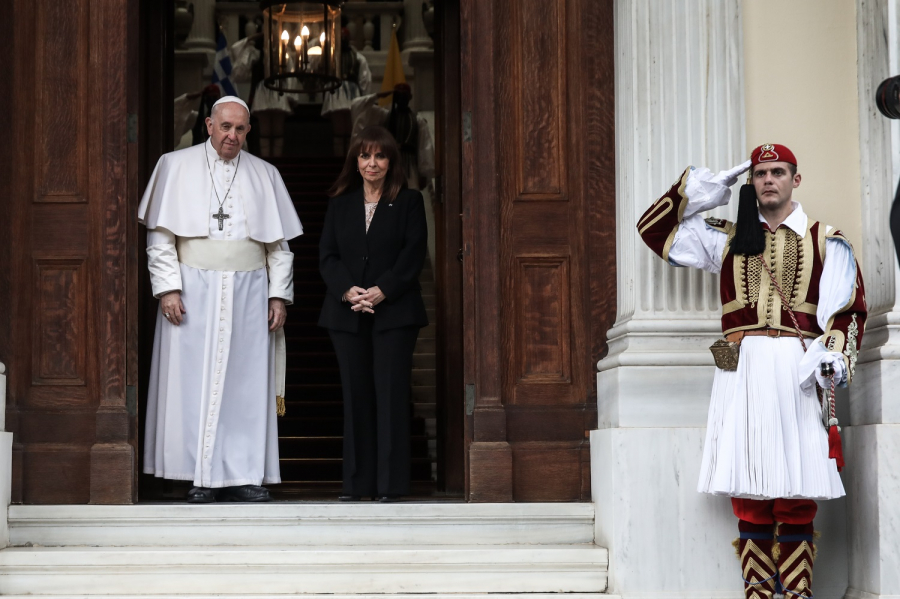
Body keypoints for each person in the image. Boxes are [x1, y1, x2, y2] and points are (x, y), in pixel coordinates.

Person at [637, 144, 866, 598]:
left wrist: (833, 354)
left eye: (778, 172)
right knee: (748, 484)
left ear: (795, 179)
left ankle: (796, 592)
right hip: (739, 367)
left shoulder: (825, 238)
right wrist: (704, 191)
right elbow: (653, 229)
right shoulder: (726, 235)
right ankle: (759, 592)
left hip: (796, 368)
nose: (768, 180)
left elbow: (848, 308)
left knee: (796, 487)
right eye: (760, 173)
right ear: (752, 181)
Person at [138, 96, 303, 503]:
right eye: (225, 127)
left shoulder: (266, 174)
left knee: (245, 387)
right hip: (193, 290)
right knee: (191, 383)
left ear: (249, 131)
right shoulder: (174, 165)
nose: (232, 136)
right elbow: (160, 237)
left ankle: (245, 474)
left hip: (249, 292)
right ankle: (197, 476)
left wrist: (278, 295)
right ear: (209, 125)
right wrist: (168, 287)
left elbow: (279, 247)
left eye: (241, 129)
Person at [318, 125, 428, 502]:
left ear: (391, 160)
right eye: (365, 155)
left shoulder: (410, 200)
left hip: (395, 314)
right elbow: (327, 256)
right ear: (356, 160)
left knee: (391, 396)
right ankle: (357, 485)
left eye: (380, 155)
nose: (372, 163)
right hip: (346, 314)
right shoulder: (340, 203)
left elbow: (413, 254)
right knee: (356, 398)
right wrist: (349, 291)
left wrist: (382, 291)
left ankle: (391, 487)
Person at [350, 84, 435, 190]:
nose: (402, 99)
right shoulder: (384, 117)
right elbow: (357, 106)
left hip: (409, 168)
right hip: (388, 166)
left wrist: (424, 174)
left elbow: (423, 147)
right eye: (399, 96)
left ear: (410, 97)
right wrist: (378, 96)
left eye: (404, 96)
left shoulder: (417, 121)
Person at [229, 22, 295, 157]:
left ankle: (277, 163)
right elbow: (236, 49)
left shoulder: (284, 51)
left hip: (279, 90)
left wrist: (290, 95)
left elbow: (291, 72)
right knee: (265, 131)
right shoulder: (256, 52)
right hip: (262, 91)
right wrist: (254, 37)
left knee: (277, 130)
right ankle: (266, 163)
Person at [322, 27, 372, 156]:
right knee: (339, 131)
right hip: (336, 93)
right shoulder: (330, 57)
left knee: (351, 131)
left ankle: (349, 160)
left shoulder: (358, 58)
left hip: (351, 94)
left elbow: (364, 80)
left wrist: (364, 99)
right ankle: (340, 160)